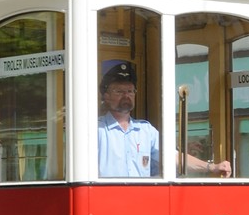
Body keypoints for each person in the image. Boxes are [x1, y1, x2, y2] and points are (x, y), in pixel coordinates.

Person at [97, 62, 231, 178]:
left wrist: (212, 167)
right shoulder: (97, 130)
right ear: (106, 96)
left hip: (139, 202)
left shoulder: (146, 131)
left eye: (130, 91)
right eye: (119, 92)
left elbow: (174, 157)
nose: (126, 95)